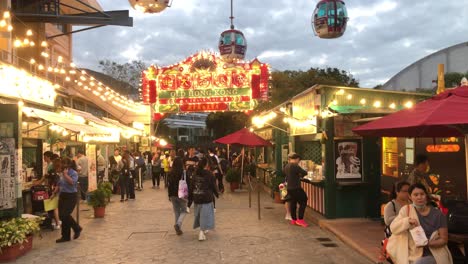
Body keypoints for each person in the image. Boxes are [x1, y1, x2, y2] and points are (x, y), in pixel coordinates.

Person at [388, 183, 452, 264]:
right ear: (410, 197)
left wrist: (427, 243)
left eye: (422, 194)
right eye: (415, 195)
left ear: (426, 196)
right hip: (411, 254)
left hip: (434, 253)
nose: (419, 197)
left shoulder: (438, 214)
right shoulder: (406, 210)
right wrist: (407, 221)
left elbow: (444, 239)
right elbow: (393, 228)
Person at [189, 157, 218, 241]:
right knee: (205, 215)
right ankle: (201, 233)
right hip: (206, 198)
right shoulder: (209, 174)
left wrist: (190, 199)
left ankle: (204, 229)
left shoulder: (195, 174)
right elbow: (213, 186)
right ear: (206, 164)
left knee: (200, 215)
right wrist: (216, 193)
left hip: (197, 197)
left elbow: (191, 186)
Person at [56, 157, 82, 243]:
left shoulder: (74, 173)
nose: (63, 166)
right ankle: (65, 236)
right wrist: (54, 192)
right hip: (63, 195)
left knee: (65, 214)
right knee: (62, 216)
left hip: (71, 196)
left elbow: (72, 183)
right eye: (62, 164)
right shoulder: (62, 173)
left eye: (64, 164)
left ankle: (77, 228)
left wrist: (66, 175)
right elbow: (59, 183)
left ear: (69, 165)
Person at [283, 152, 308, 227]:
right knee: (304, 200)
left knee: (293, 202)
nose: (298, 161)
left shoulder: (286, 166)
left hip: (289, 187)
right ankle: (300, 219)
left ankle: (294, 219)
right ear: (297, 159)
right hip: (296, 187)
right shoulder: (295, 166)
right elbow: (304, 172)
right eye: (298, 160)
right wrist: (300, 174)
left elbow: (285, 173)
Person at [167, 152, 187, 236]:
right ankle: (178, 224)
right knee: (184, 210)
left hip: (172, 194)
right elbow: (186, 182)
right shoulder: (183, 172)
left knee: (176, 212)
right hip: (181, 193)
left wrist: (169, 195)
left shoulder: (170, 173)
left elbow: (169, 184)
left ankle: (178, 229)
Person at [185, 146, 199, 212]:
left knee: (191, 190)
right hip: (186, 176)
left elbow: (196, 167)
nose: (192, 151)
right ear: (188, 150)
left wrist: (190, 166)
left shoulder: (196, 158)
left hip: (193, 176)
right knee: (187, 190)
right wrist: (190, 166)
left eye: (193, 150)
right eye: (191, 150)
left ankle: (188, 205)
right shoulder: (186, 157)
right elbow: (184, 166)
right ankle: (188, 204)